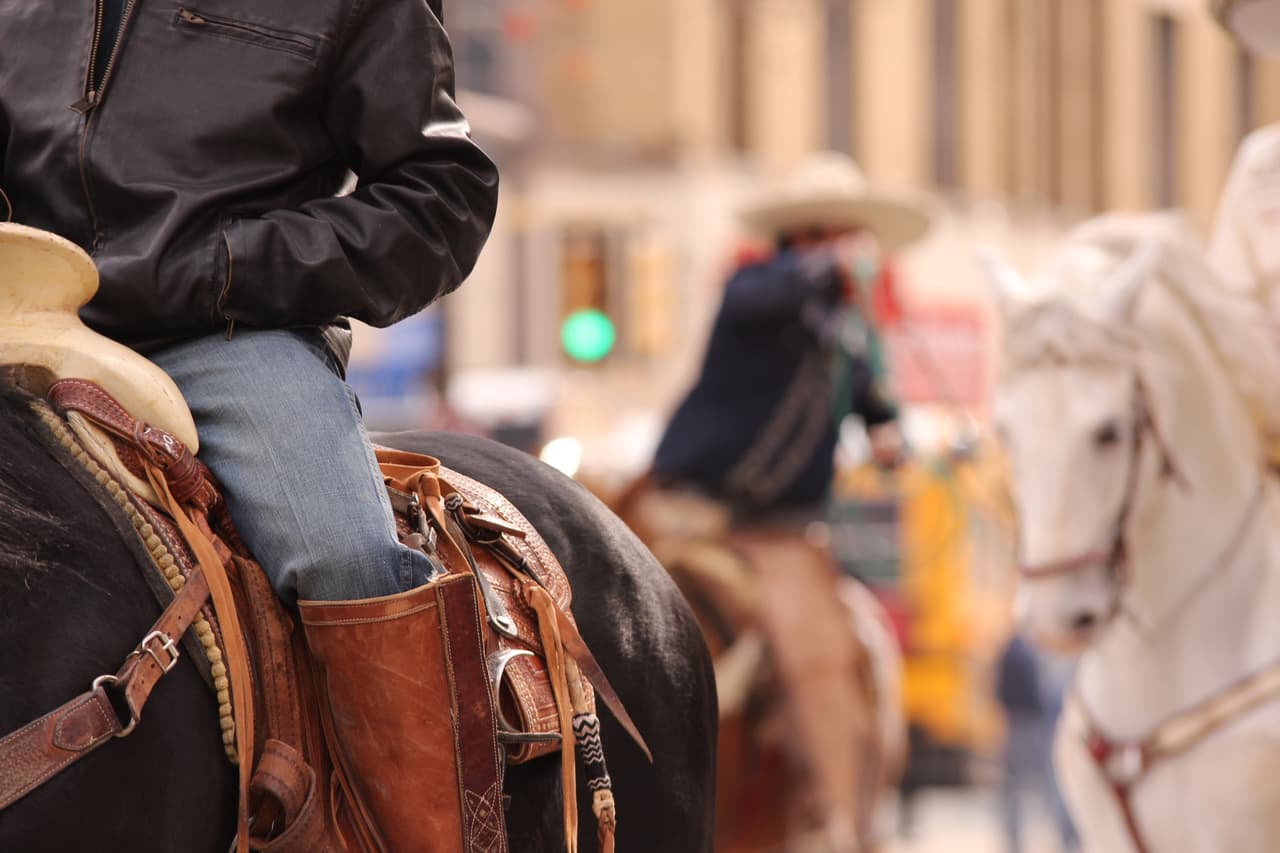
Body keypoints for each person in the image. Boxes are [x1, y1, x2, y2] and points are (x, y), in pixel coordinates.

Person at [1, 0, 498, 845]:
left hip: (227, 334)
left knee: (345, 556)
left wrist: (225, 266)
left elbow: (441, 199)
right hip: (20, 316)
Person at [652, 151, 928, 516]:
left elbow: (874, 405)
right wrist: (831, 264)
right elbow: (769, 290)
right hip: (697, 502)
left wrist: (889, 440)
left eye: (849, 236)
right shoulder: (752, 284)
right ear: (791, 239)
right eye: (817, 235)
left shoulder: (851, 335)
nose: (839, 249)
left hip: (792, 520)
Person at [994, 633, 1079, 853]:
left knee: (1026, 788)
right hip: (1034, 727)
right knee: (1047, 787)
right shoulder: (1035, 652)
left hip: (1026, 726)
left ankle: (1025, 841)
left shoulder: (1016, 648)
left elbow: (999, 690)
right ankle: (1064, 840)